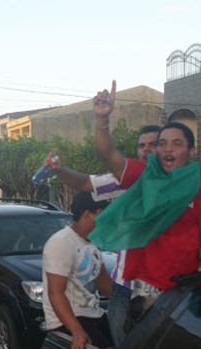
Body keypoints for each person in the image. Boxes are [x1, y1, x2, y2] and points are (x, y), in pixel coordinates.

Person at [90, 81, 201, 346]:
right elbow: (108, 154)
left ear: (192, 151)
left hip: (176, 296)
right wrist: (102, 119)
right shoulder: (146, 177)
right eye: (163, 143)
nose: (168, 148)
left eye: (177, 143)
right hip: (128, 293)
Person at [46, 123, 159, 348]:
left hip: (163, 289)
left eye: (153, 144)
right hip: (124, 290)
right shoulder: (123, 181)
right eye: (141, 145)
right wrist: (59, 169)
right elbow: (85, 182)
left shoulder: (184, 187)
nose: (146, 150)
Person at [43, 191, 113, 349]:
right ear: (88, 214)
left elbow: (103, 281)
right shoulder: (61, 243)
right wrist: (77, 332)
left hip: (94, 314)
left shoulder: (91, 242)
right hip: (70, 318)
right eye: (102, 216)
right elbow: (55, 293)